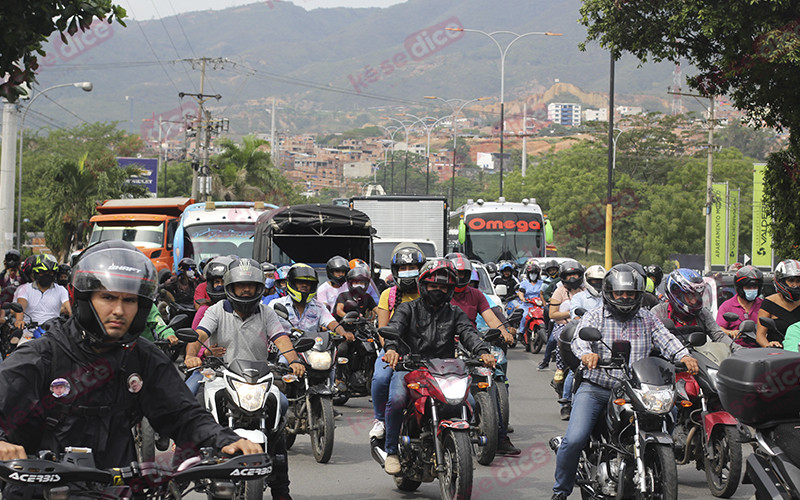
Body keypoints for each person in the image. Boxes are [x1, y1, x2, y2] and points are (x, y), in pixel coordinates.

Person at [0, 240, 260, 497]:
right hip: (40, 489)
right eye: (108, 297)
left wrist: (226, 440)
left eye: (129, 300)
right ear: (82, 298)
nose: (119, 310)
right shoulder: (42, 356)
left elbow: (183, 415)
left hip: (119, 489)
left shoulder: (143, 357)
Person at [550, 263, 699, 500]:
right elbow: (581, 339)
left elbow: (666, 339)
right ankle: (561, 491)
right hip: (597, 387)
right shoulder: (595, 316)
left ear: (638, 295)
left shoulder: (647, 318)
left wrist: (684, 356)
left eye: (630, 293)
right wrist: (587, 354)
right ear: (610, 293)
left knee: (667, 419)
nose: (625, 297)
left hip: (636, 389)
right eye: (620, 293)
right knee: (575, 439)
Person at [185, 257, 304, 500]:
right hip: (221, 375)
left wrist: (294, 360)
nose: (247, 289)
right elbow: (199, 334)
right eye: (241, 285)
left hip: (258, 379)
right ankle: (192, 461)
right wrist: (191, 356)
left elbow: (280, 337)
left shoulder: (266, 312)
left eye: (251, 285)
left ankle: (281, 489)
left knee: (280, 407)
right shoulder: (215, 310)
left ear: (260, 287)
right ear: (231, 287)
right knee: (193, 403)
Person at [381, 259, 496, 475]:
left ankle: (453, 443)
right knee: (396, 400)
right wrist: (391, 348)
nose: (438, 290)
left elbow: (468, 333)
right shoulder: (407, 308)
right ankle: (391, 452)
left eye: (443, 287)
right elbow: (394, 328)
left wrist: (482, 351)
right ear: (423, 286)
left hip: (445, 370)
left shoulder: (455, 312)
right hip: (410, 367)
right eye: (434, 286)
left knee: (469, 402)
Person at [446, 252, 518, 454]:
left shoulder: (476, 295)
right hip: (444, 345)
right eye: (456, 274)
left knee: (490, 382)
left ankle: (500, 437)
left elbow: (491, 318)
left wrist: (504, 332)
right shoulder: (441, 293)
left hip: (470, 342)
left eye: (464, 274)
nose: (460, 278)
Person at [371, 244, 426, 441]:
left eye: (412, 267)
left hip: (423, 349)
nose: (407, 272)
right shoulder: (389, 295)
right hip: (394, 349)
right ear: (395, 272)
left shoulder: (428, 293)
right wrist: (389, 350)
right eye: (403, 268)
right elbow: (383, 329)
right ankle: (380, 420)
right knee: (381, 378)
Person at [651, 269, 738, 351]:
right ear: (676, 294)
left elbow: (719, 335)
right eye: (690, 296)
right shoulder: (658, 312)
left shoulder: (702, 313)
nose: (695, 300)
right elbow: (650, 342)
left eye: (697, 295)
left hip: (700, 362)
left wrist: (740, 350)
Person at [539, 260, 585, 372]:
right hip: (563, 326)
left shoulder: (586, 290)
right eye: (569, 275)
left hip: (584, 326)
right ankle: (554, 364)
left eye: (574, 274)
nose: (572, 278)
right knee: (558, 342)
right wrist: (571, 313)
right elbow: (552, 314)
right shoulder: (559, 291)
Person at [14, 254, 71, 332]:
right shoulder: (25, 289)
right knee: (15, 341)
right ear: (36, 273)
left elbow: (69, 307)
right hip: (29, 332)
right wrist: (19, 320)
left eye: (50, 273)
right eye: (43, 272)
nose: (47, 275)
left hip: (54, 333)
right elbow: (21, 306)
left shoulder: (61, 290)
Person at [756, 259, 800, 347]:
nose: (795, 285)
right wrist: (768, 345)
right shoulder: (769, 303)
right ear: (781, 281)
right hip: (777, 354)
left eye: (798, 281)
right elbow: (760, 336)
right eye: (791, 280)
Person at [717, 265, 764, 347]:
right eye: (748, 287)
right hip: (734, 351)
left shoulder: (763, 305)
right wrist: (730, 332)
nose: (752, 290)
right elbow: (718, 330)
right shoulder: (727, 306)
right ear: (740, 288)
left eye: (755, 287)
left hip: (760, 351)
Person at [516, 261, 544, 333]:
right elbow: (521, 292)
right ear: (528, 274)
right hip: (527, 304)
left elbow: (544, 293)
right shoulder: (524, 283)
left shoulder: (542, 283)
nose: (533, 275)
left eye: (535, 273)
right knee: (524, 316)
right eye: (531, 273)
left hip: (539, 305)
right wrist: (523, 298)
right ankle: (521, 332)